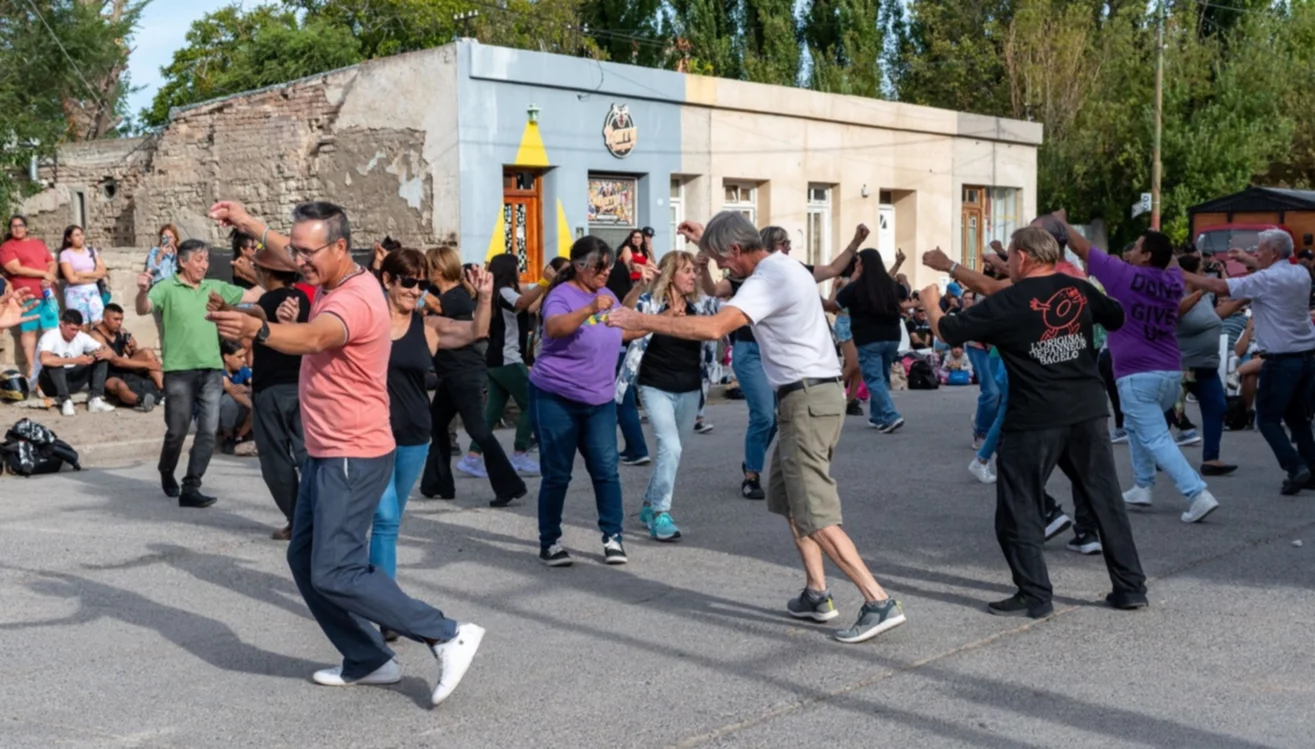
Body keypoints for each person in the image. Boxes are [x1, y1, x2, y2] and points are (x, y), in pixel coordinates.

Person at [207, 199, 486, 706]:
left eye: (308, 252)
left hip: (352, 453)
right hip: (325, 448)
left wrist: (258, 330)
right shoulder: (330, 274)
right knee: (304, 557)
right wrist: (249, 222)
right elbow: (287, 252)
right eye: (296, 251)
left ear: (339, 247)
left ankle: (446, 633)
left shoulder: (355, 299)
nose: (300, 260)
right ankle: (368, 659)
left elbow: (315, 337)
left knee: (336, 568)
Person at [609, 213, 906, 644]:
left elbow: (713, 327)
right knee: (789, 500)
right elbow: (722, 285)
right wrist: (704, 242)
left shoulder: (769, 277)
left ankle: (878, 600)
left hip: (808, 399)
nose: (722, 271)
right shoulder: (783, 266)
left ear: (736, 250)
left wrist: (643, 321)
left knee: (815, 510)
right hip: (803, 396)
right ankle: (817, 593)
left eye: (723, 260)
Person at [928, 225, 1148, 617]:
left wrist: (930, 302)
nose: (1007, 262)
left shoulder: (1011, 300)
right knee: (1105, 499)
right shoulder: (1076, 289)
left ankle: (1035, 593)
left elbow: (949, 331)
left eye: (1009, 256)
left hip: (1035, 417)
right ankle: (1130, 587)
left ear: (1024, 257)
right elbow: (1115, 316)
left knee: (1019, 505)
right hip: (1086, 408)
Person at [1067, 224, 1220, 523]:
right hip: (1169, 373)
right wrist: (1161, 243)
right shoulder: (1173, 280)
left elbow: (1082, 248)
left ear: (1147, 256)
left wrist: (1059, 223)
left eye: (1137, 247)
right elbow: (1173, 263)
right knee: (1138, 428)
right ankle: (1143, 485)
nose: (1131, 252)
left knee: (1155, 437)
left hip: (1137, 375)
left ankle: (1197, 493)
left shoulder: (1123, 275)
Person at [711, 223, 869, 500]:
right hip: (749, 350)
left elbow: (832, 269)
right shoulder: (744, 275)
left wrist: (856, 241)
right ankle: (751, 476)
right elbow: (712, 291)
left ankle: (754, 461)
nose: (789, 247)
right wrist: (703, 264)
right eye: (784, 242)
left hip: (777, 355)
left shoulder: (792, 271)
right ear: (770, 245)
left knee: (774, 418)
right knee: (762, 414)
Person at [1183, 230, 1315, 494]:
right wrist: (1247, 259)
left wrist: (1182, 274)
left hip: (1280, 360)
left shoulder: (1264, 279)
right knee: (1298, 418)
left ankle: (1295, 466)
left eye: (1260, 250)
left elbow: (1221, 287)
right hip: (1306, 356)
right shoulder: (1300, 272)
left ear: (1274, 253)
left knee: (1267, 418)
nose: (1256, 254)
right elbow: (1273, 270)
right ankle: (1311, 472)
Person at [135, 239, 263, 508]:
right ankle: (166, 470)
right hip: (178, 372)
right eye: (198, 259)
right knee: (177, 430)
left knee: (207, 431)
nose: (204, 265)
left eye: (206, 260)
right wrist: (142, 290)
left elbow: (251, 296)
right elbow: (143, 308)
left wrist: (280, 273)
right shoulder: (167, 287)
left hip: (211, 371)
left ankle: (191, 486)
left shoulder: (214, 288)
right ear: (182, 262)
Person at [531, 236, 631, 566]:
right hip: (557, 396)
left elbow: (621, 330)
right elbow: (554, 327)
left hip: (599, 398)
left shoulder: (608, 294)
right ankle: (550, 541)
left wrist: (658, 320)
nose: (605, 274)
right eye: (600, 267)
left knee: (606, 470)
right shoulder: (561, 295)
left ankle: (613, 536)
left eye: (609, 267)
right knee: (557, 473)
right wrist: (588, 308)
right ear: (579, 266)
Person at [373, 248, 455, 643]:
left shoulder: (426, 327)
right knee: (384, 518)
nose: (416, 289)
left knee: (389, 524)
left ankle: (371, 591)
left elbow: (477, 332)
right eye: (408, 281)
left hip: (415, 435)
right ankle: (386, 609)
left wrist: (487, 298)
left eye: (421, 283)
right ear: (387, 280)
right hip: (373, 436)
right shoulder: (367, 320)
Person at [616, 250, 721, 541]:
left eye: (694, 271)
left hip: (689, 388)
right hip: (654, 385)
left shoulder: (700, 305)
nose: (692, 276)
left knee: (672, 453)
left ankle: (649, 504)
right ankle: (661, 513)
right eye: (687, 270)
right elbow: (624, 318)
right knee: (670, 448)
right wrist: (639, 284)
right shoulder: (650, 302)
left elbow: (722, 305)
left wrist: (707, 268)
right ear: (671, 273)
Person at [419, 246, 526, 506]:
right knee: (436, 424)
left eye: (428, 267)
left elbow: (431, 307)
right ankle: (437, 482)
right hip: (450, 373)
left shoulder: (453, 298)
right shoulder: (447, 294)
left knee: (478, 429)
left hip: (464, 373)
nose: (424, 272)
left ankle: (510, 485)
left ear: (438, 269)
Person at [466, 253, 550, 476]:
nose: (519, 271)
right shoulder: (504, 292)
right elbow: (522, 303)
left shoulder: (496, 293)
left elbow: (527, 307)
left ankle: (472, 457)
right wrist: (544, 282)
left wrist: (544, 288)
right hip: (508, 358)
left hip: (496, 359)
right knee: (532, 403)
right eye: (516, 268)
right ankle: (520, 454)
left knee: (492, 410)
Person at [1175, 254, 1246, 476]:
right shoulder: (1176, 292)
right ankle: (1155, 455)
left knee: (1216, 407)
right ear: (1190, 273)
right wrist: (1201, 290)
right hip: (1182, 366)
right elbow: (1177, 312)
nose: (1206, 276)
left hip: (1206, 365)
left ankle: (1211, 459)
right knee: (1169, 413)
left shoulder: (1203, 297)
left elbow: (1214, 317)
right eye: (1202, 272)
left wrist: (1242, 301)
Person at [836, 248, 909, 433]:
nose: (857, 264)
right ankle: (878, 416)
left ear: (863, 265)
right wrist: (904, 279)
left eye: (859, 261)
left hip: (869, 338)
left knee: (873, 378)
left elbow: (837, 303)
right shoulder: (889, 285)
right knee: (882, 377)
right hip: (892, 337)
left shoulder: (856, 287)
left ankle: (891, 415)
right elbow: (905, 292)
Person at [2, 214, 59, 381]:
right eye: (14, 226)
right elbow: (15, 269)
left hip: (48, 294)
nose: (17, 228)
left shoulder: (38, 243)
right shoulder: (7, 247)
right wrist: (44, 273)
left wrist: (49, 277)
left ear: (26, 227)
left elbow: (51, 262)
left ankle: (52, 365)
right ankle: (31, 367)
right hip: (26, 294)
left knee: (51, 329)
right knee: (29, 331)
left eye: (20, 225)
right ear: (10, 229)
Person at [36, 309, 116, 417]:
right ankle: (66, 401)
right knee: (54, 360)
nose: (74, 333)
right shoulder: (50, 336)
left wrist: (101, 354)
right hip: (50, 384)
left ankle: (95, 399)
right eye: (72, 329)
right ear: (62, 324)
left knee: (101, 358)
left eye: (77, 330)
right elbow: (44, 360)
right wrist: (75, 360)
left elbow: (107, 350)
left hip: (72, 379)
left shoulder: (81, 336)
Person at [90, 303, 165, 412]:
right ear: (105, 319)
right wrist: (147, 365)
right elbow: (115, 361)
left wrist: (133, 347)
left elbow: (132, 354)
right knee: (120, 385)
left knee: (147, 352)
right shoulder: (95, 335)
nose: (119, 323)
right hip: (108, 374)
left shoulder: (121, 331)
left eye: (121, 319)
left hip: (124, 368)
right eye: (115, 319)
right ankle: (141, 401)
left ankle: (163, 391)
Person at [58, 225, 108, 327]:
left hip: (93, 292)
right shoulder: (65, 254)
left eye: (81, 234)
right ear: (69, 238)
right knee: (81, 325)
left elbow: (103, 272)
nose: (81, 237)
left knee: (99, 323)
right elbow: (71, 279)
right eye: (76, 235)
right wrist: (94, 277)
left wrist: (81, 274)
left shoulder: (91, 251)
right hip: (76, 293)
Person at [218, 339, 254, 454]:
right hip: (217, 420)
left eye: (244, 356)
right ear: (227, 357)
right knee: (229, 400)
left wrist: (248, 389)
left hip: (236, 416)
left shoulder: (242, 370)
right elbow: (233, 391)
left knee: (258, 399)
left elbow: (256, 384)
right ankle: (227, 437)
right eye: (239, 357)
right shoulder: (218, 372)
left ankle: (239, 437)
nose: (244, 360)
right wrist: (254, 407)